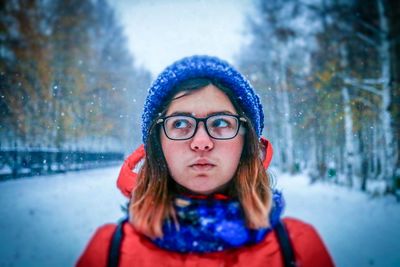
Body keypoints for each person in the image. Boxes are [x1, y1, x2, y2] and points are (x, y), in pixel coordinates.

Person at [76, 55, 335, 267]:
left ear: (246, 142)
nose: (201, 142)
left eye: (220, 122)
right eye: (180, 123)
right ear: (158, 144)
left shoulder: (299, 249)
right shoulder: (108, 251)